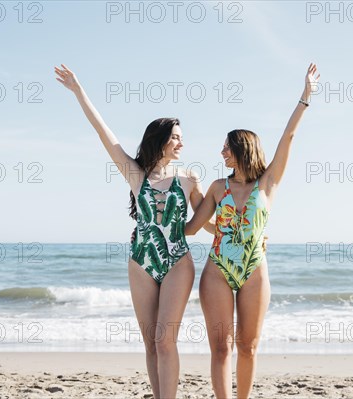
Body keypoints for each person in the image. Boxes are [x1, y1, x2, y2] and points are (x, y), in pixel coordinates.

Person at [55, 64, 209, 399]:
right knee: (151, 343)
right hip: (141, 261)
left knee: (165, 340)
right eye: (176, 138)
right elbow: (104, 134)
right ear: (161, 140)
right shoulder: (136, 175)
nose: (182, 143)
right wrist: (79, 91)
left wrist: (234, 230)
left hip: (178, 260)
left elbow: (204, 221)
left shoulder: (189, 178)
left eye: (183, 139)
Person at [185, 63, 320, 398]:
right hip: (217, 270)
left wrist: (305, 97)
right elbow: (192, 229)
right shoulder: (218, 187)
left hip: (254, 271)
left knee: (248, 347)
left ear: (242, 149)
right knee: (221, 348)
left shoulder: (268, 183)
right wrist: (193, 193)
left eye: (226, 148)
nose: (221, 153)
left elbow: (288, 137)